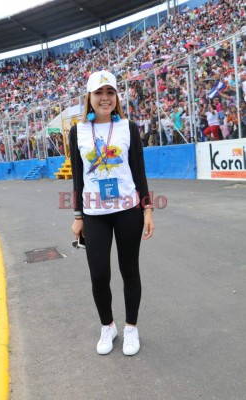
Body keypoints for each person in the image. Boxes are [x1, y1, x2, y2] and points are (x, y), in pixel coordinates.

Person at [69, 70, 154, 356]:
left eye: (110, 92)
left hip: (128, 209)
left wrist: (148, 209)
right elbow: (78, 177)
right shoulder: (77, 130)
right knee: (98, 275)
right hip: (94, 212)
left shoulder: (128, 127)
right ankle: (108, 326)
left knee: (129, 270)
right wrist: (78, 215)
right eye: (98, 93)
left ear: (116, 97)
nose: (105, 98)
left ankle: (131, 327)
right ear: (89, 98)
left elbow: (139, 171)